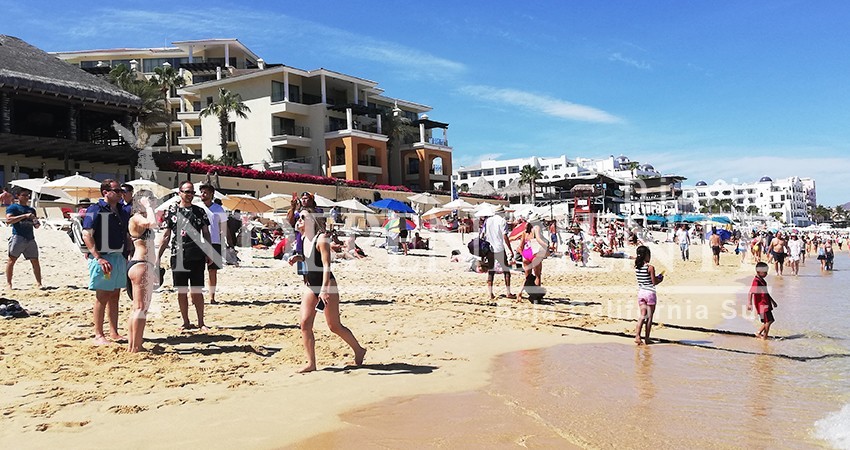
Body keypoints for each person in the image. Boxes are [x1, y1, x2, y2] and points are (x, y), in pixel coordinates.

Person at [287, 208, 366, 373]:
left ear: (312, 221)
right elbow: (310, 259)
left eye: (303, 217)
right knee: (305, 323)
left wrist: (324, 290)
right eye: (298, 217)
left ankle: (359, 350)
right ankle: (311, 363)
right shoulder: (304, 238)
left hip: (327, 284)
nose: (299, 220)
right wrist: (298, 258)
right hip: (311, 285)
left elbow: (326, 266)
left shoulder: (321, 239)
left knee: (334, 326)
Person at [158, 181, 212, 331]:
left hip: (197, 254)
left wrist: (209, 252)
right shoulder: (172, 210)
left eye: (192, 192)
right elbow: (166, 235)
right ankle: (186, 321)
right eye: (187, 192)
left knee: (197, 290)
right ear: (179, 193)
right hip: (178, 254)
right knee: (181, 290)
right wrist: (158, 256)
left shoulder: (199, 211)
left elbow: (206, 233)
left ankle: (201, 322)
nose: (190, 195)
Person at [82, 179, 131, 345]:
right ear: (105, 192)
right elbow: (87, 234)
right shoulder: (95, 209)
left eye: (121, 191)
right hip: (104, 256)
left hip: (118, 256)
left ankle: (114, 332)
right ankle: (98, 334)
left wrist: (128, 253)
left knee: (115, 295)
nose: (120, 193)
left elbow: (126, 234)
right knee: (102, 296)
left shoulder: (122, 210)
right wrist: (98, 257)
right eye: (117, 191)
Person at [126, 190, 159, 352]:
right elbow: (152, 223)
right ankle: (135, 346)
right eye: (150, 200)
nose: (153, 202)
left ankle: (134, 344)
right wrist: (147, 207)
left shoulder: (140, 218)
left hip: (144, 264)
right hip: (141, 264)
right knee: (140, 308)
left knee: (138, 308)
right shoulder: (137, 218)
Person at [5, 188, 43, 290]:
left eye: (28, 195)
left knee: (35, 260)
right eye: (24, 195)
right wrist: (24, 216)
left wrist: (36, 221)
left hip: (30, 237)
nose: (27, 197)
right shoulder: (13, 207)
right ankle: (9, 283)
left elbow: (36, 225)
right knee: (11, 260)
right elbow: (8, 220)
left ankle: (39, 283)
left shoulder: (31, 209)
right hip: (18, 236)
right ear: (18, 196)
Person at [199, 184, 227, 304]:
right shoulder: (197, 207)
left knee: (212, 271)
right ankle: (196, 295)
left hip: (215, 241)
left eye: (205, 192)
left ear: (211, 194)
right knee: (197, 271)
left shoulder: (218, 209)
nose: (203, 194)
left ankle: (212, 296)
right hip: (199, 242)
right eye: (202, 192)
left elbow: (224, 226)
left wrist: (227, 241)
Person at [478, 207, 515, 299]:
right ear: (502, 213)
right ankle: (508, 292)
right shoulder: (502, 221)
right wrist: (510, 249)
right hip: (499, 249)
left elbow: (482, 235)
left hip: (490, 249)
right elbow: (505, 236)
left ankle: (490, 294)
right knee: (506, 271)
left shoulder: (488, 221)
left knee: (491, 271)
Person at [634, 245, 663, 345]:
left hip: (641, 293)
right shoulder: (650, 267)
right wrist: (660, 279)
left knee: (642, 315)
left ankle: (637, 336)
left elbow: (645, 280)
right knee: (649, 317)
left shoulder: (637, 267)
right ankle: (647, 338)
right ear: (646, 255)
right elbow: (653, 282)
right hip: (650, 293)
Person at [747, 262, 778, 340]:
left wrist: (772, 301)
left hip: (766, 303)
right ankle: (765, 337)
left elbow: (766, 293)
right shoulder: (756, 281)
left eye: (767, 272)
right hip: (761, 305)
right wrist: (749, 303)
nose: (766, 273)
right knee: (768, 321)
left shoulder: (762, 280)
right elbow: (751, 292)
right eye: (765, 272)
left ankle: (758, 333)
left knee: (770, 320)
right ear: (758, 272)